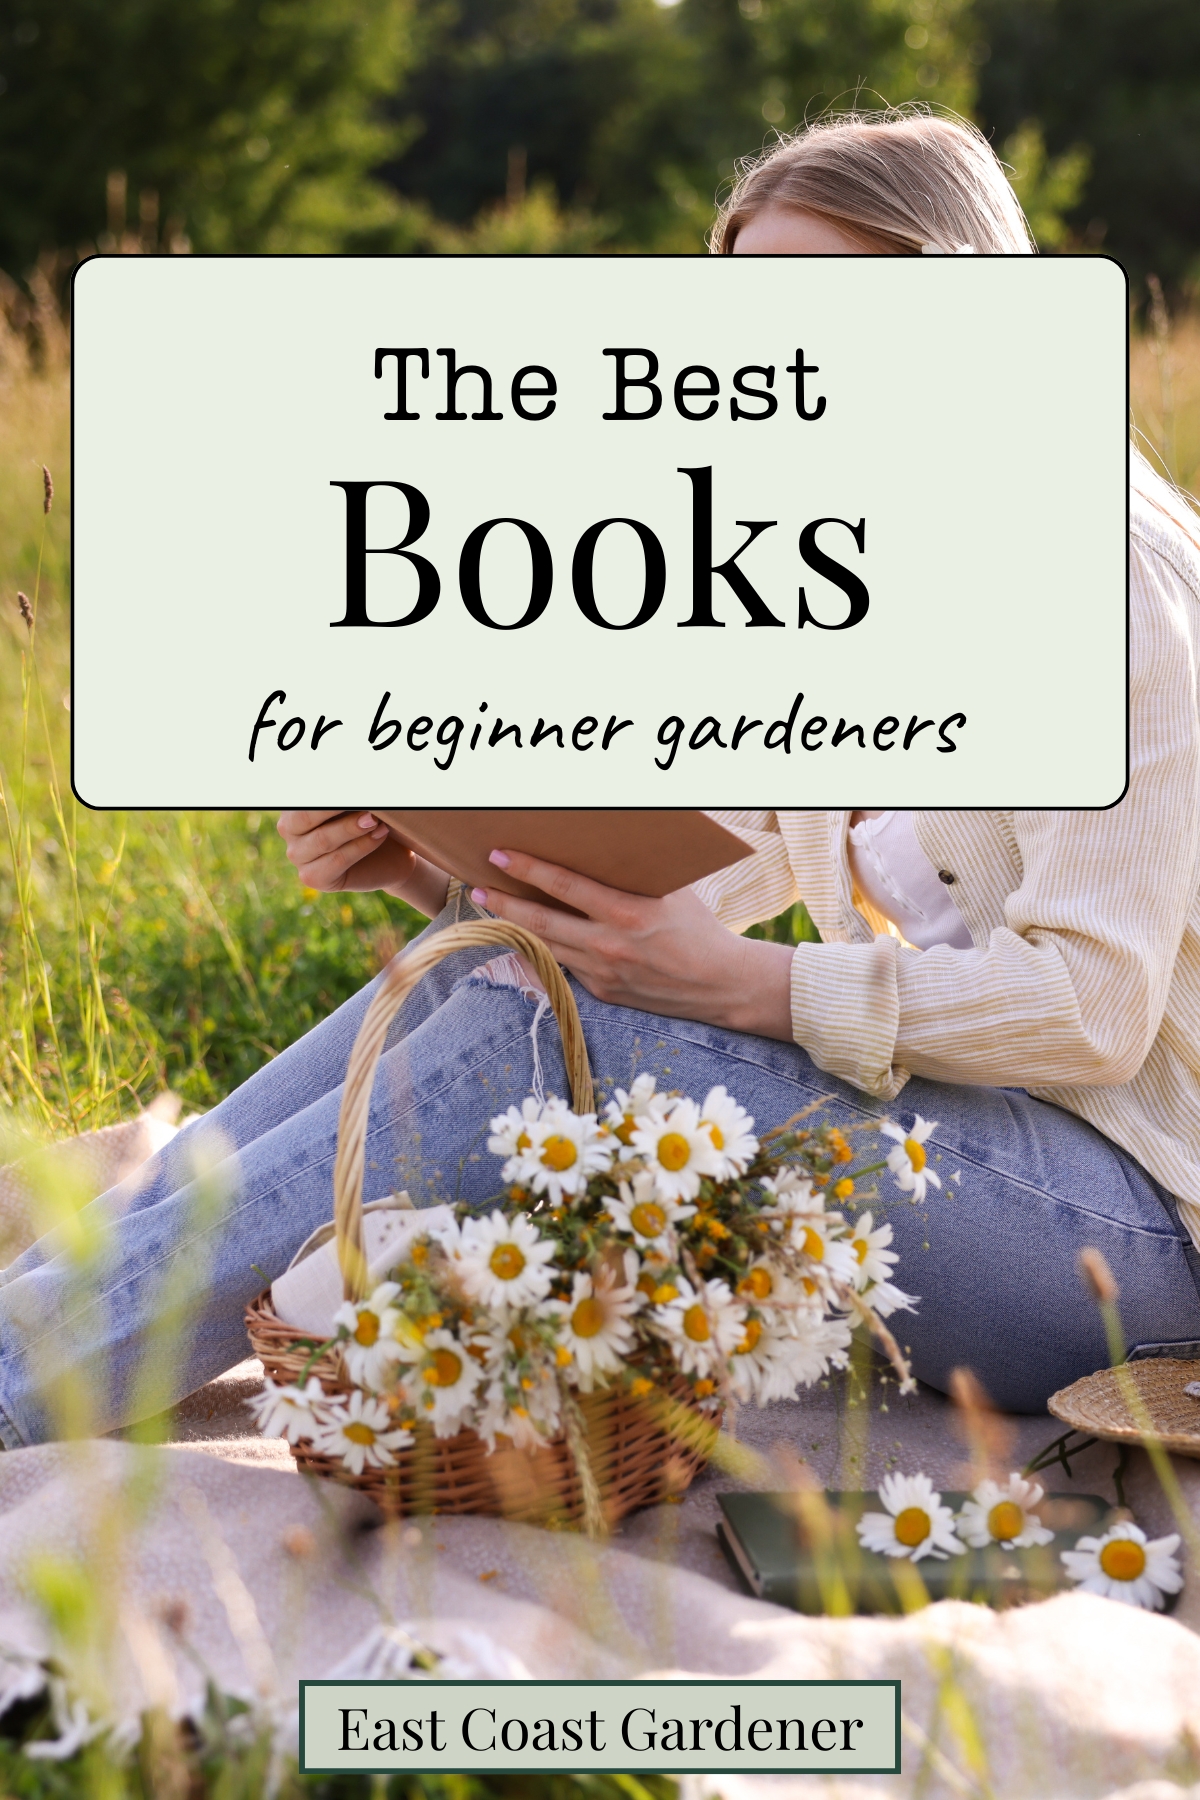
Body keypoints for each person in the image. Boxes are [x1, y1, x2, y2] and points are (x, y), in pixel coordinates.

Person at [2, 108, 1199, 1445]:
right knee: (487, 970)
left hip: (1141, 1238)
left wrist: (749, 988)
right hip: (970, 1154)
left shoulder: (1110, 574)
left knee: (551, 1047)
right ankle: (31, 1325)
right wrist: (441, 860)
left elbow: (1096, 1009)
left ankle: (17, 1389)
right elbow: (677, 870)